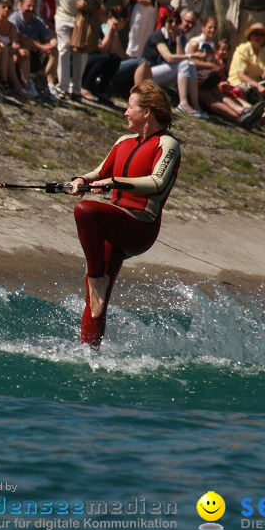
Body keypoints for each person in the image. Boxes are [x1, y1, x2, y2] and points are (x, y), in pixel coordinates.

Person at [69, 79, 181, 349]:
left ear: (147, 111)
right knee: (96, 300)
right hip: (113, 224)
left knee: (86, 211)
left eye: (130, 107)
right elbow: (98, 173)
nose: (125, 112)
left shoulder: (167, 145)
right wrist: (80, 180)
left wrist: (113, 183)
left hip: (139, 227)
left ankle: (96, 277)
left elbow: (157, 182)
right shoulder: (124, 142)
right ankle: (89, 353)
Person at [29, 0, 106, 101]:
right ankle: (63, 87)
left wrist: (95, 1)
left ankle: (76, 90)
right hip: (63, 14)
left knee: (80, 52)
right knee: (63, 49)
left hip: (83, 18)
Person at [142, 8, 206, 117]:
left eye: (177, 22)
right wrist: (191, 55)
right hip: (147, 73)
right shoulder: (158, 35)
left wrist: (178, 41)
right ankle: (183, 103)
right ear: (164, 21)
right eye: (170, 21)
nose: (173, 24)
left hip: (162, 74)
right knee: (187, 63)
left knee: (190, 65)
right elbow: (169, 58)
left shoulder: (174, 37)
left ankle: (196, 106)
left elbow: (181, 58)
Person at [82, 4, 152, 102]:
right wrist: (111, 31)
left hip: (101, 62)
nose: (105, 19)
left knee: (117, 59)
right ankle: (139, 99)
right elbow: (104, 48)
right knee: (141, 62)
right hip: (91, 61)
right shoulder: (105, 28)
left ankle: (148, 98)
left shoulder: (100, 29)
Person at [228, 22, 265, 120]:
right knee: (249, 89)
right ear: (250, 36)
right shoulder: (243, 49)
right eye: (256, 34)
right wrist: (258, 86)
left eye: (262, 35)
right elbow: (241, 75)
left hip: (259, 83)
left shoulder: (264, 50)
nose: (259, 37)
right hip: (240, 82)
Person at [8, 0, 55, 99]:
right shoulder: (14, 19)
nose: (31, 9)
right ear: (20, 5)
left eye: (33, 7)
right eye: (28, 6)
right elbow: (20, 38)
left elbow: (49, 35)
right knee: (26, 49)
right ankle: (26, 84)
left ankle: (49, 84)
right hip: (15, 52)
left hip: (34, 54)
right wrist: (41, 47)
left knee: (54, 49)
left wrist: (52, 43)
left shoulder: (36, 21)